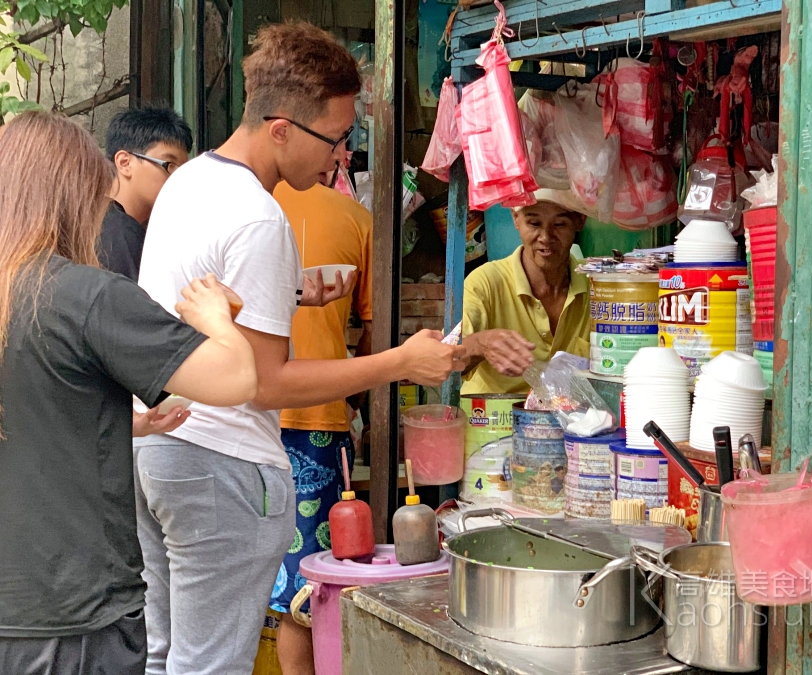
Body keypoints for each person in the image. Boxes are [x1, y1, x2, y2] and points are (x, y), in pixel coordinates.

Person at [136, 22, 466, 674]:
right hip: (218, 460)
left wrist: (292, 292)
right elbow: (264, 381)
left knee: (164, 654)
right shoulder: (261, 218)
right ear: (281, 127)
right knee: (208, 664)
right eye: (336, 138)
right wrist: (400, 361)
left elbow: (200, 303)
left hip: (156, 451)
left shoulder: (190, 181)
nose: (343, 156)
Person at [0, 112, 258, 675]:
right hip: (75, 615)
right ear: (77, 196)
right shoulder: (83, 294)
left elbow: (35, 407)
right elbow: (237, 379)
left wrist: (121, 421)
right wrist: (217, 317)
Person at [268, 178, 373, 675]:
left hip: (235, 416)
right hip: (316, 422)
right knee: (309, 588)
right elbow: (373, 331)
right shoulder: (355, 218)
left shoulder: (233, 204)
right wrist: (352, 399)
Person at [461, 189, 592, 394]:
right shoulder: (485, 283)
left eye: (559, 224)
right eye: (534, 223)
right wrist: (480, 344)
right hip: (491, 420)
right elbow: (446, 358)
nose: (546, 237)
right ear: (515, 219)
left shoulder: (599, 286)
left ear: (580, 221)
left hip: (576, 422)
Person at [98, 107, 193, 281]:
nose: (178, 178)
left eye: (183, 169)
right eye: (169, 165)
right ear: (124, 163)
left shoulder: (96, 220)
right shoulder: (118, 233)